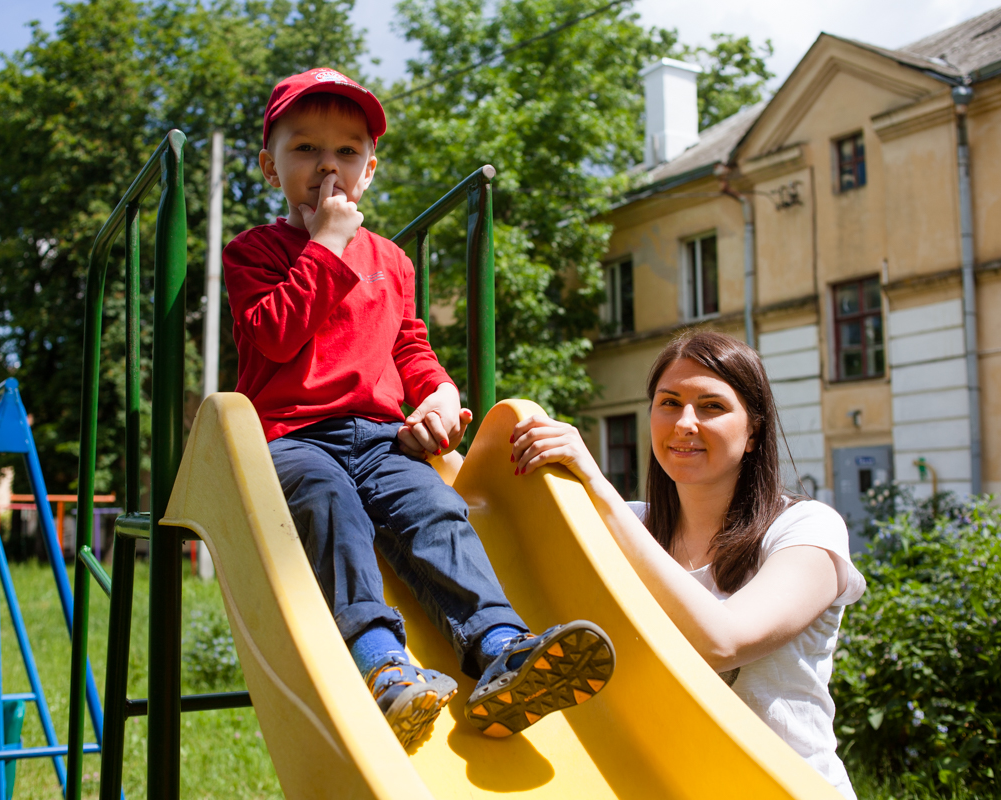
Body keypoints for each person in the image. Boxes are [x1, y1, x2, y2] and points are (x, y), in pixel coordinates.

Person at [222, 68, 614, 749]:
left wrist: (441, 393)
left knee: (435, 508)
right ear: (269, 165)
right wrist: (328, 245)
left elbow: (411, 347)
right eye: (305, 149)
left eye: (347, 152)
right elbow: (274, 333)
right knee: (326, 503)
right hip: (290, 437)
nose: (328, 167)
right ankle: (382, 667)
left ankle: (500, 649)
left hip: (380, 437)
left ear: (369, 169)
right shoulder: (254, 252)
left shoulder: (392, 262)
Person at [511, 331, 864, 798]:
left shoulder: (806, 528)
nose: (685, 423)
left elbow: (723, 641)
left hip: (787, 788)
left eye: (712, 406)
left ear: (754, 431)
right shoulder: (632, 522)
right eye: (669, 403)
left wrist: (597, 488)